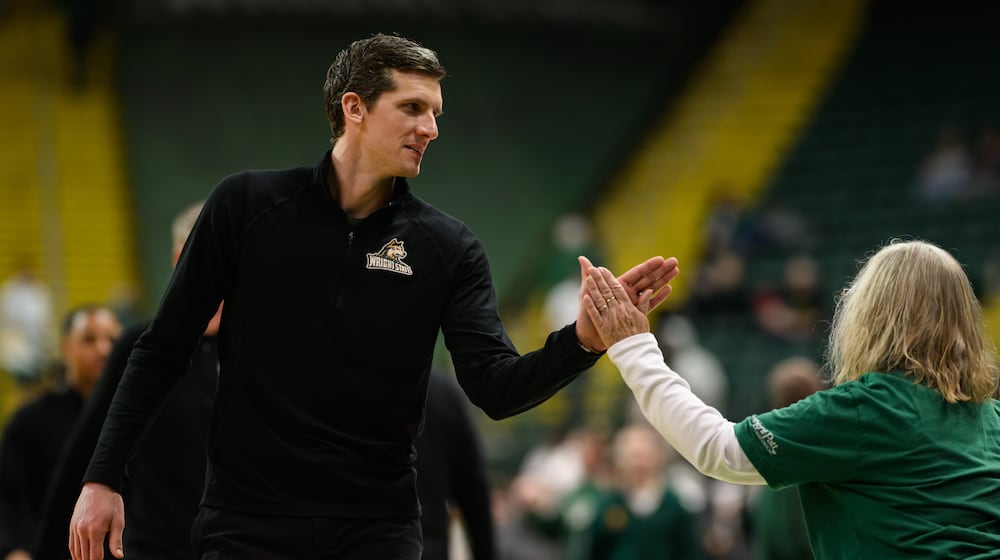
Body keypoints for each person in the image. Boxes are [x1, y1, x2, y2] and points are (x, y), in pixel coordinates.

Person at [69, 32, 679, 560]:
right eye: (412, 107)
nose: (431, 128)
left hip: (376, 530)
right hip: (246, 523)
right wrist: (103, 478)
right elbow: (163, 349)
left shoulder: (448, 247)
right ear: (354, 107)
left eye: (436, 111)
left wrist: (582, 342)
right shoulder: (245, 207)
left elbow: (494, 387)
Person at [582, 239, 1000, 558]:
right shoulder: (992, 417)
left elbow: (718, 449)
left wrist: (633, 347)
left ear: (875, 317)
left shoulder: (866, 409)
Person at [31, 202, 220, 560]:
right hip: (157, 545)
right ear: (182, 258)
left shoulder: (258, 347)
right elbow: (86, 454)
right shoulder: (142, 348)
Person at [0, 305, 120, 560]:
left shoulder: (137, 418)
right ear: (66, 347)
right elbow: (7, 496)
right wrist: (13, 549)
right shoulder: (30, 421)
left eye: (112, 340)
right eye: (89, 339)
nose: (103, 350)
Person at [415, 369, 495, 560]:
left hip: (358, 540)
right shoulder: (441, 391)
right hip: (428, 541)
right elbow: (474, 488)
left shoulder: (349, 381)